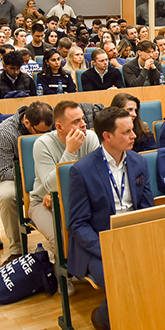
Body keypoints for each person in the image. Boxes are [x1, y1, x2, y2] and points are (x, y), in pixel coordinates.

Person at [67, 106, 154, 330]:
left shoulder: (138, 162)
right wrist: (106, 246)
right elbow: (77, 224)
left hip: (132, 235)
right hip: (98, 242)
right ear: (107, 136)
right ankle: (102, 317)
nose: (134, 135)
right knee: (124, 278)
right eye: (126, 132)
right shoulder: (81, 171)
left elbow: (147, 207)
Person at [32, 100, 102, 257]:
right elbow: (51, 186)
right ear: (59, 127)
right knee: (61, 239)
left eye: (83, 119)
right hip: (42, 202)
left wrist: (62, 192)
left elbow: (96, 177)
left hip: (79, 198)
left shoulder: (90, 137)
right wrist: (70, 151)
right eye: (76, 121)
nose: (83, 124)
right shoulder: (41, 144)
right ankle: (62, 279)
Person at [0, 101, 54, 265]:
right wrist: (30, 174)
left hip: (49, 170)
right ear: (27, 123)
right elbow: (3, 172)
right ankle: (16, 250)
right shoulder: (5, 133)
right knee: (7, 196)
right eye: (40, 132)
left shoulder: (52, 125)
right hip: (16, 176)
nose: (44, 135)